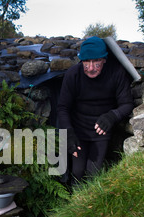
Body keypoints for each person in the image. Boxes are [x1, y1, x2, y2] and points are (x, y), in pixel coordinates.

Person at [57, 36, 134, 185]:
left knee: (93, 173)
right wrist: (68, 133)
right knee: (77, 172)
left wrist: (112, 116)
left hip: (101, 131)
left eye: (96, 61)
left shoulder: (116, 73)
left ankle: (92, 205)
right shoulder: (73, 75)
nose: (91, 68)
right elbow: (63, 107)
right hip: (78, 130)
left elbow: (127, 104)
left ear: (104, 59)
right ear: (81, 60)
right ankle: (75, 204)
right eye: (86, 61)